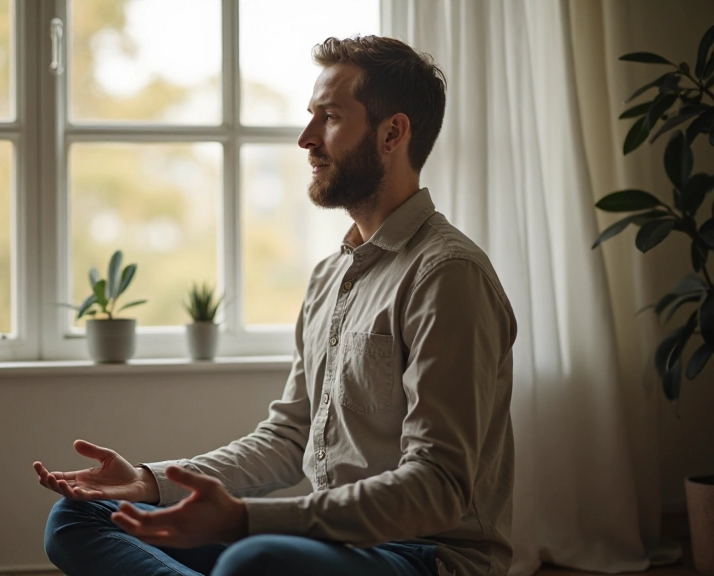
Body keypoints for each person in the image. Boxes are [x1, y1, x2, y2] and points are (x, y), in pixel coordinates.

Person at [34, 34, 516, 576]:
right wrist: (150, 482)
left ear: (392, 133)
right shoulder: (329, 277)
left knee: (255, 557)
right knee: (81, 518)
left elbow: (438, 486)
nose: (306, 138)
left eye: (329, 117)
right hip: (324, 547)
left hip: (425, 555)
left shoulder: (448, 276)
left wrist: (248, 521)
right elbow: (288, 439)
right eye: (311, 116)